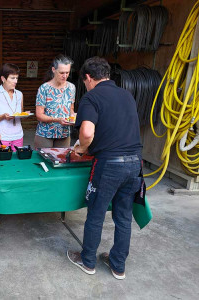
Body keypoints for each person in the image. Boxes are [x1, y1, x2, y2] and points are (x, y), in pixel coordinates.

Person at [67, 57, 143, 280]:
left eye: (85, 81)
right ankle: (118, 265)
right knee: (123, 216)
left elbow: (87, 133)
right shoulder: (127, 95)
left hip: (109, 164)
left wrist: (80, 150)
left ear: (88, 78)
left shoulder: (91, 97)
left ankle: (88, 260)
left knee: (97, 214)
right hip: (135, 163)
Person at [0, 63, 25, 225]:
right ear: (3, 78)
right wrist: (2, 116)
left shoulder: (20, 94)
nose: (15, 81)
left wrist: (20, 115)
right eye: (12, 78)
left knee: (16, 170)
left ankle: (10, 203)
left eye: (17, 78)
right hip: (0, 136)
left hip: (18, 135)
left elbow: (20, 113)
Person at [34, 55, 76, 149]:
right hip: (45, 133)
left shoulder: (71, 88)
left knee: (62, 161)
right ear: (53, 69)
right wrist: (57, 120)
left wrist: (73, 117)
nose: (65, 76)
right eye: (61, 73)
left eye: (67, 72)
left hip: (64, 134)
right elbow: (39, 115)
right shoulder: (44, 88)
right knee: (43, 161)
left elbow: (71, 109)